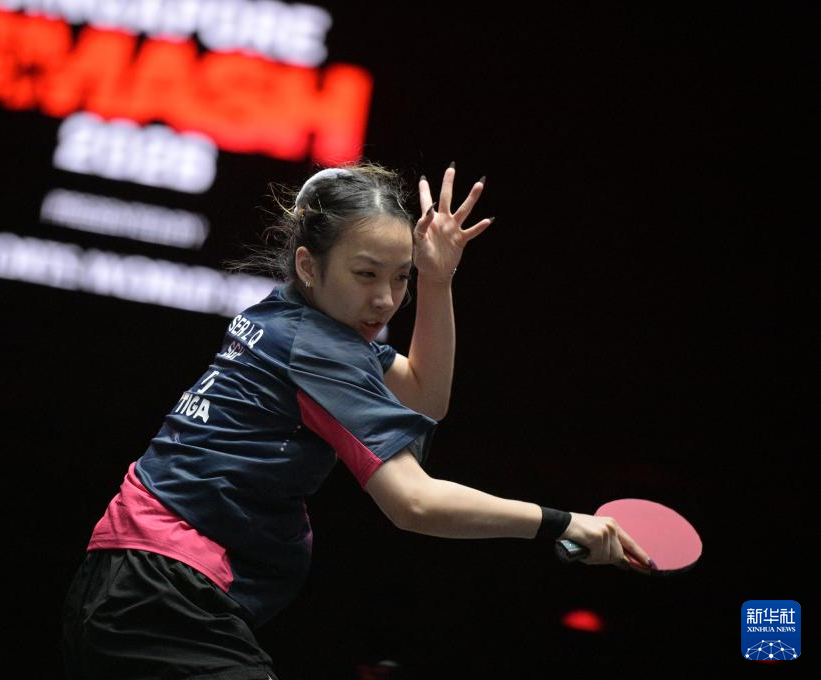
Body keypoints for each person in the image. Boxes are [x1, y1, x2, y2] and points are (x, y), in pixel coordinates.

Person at [61, 162, 651, 680]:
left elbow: (424, 397)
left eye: (401, 277)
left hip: (128, 576)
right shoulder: (318, 349)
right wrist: (563, 522)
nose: (386, 299)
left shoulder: (286, 319)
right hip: (162, 591)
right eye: (365, 274)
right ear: (308, 265)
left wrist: (438, 280)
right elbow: (413, 503)